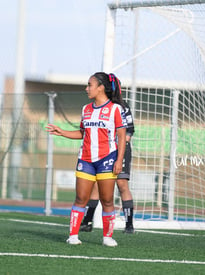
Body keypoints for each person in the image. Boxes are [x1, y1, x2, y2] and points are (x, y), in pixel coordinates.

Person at [46, 72, 127, 247]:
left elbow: (122, 136)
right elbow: (83, 133)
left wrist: (119, 160)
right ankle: (73, 236)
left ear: (101, 88)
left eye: (90, 85)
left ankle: (107, 237)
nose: (86, 88)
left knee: (106, 200)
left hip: (107, 159)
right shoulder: (86, 109)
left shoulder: (115, 109)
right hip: (86, 159)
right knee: (80, 198)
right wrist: (62, 132)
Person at [80, 101, 136, 234]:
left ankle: (129, 225)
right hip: (101, 150)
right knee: (96, 185)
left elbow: (129, 130)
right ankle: (87, 221)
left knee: (122, 184)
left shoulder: (122, 106)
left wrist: (119, 148)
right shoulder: (95, 106)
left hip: (119, 149)